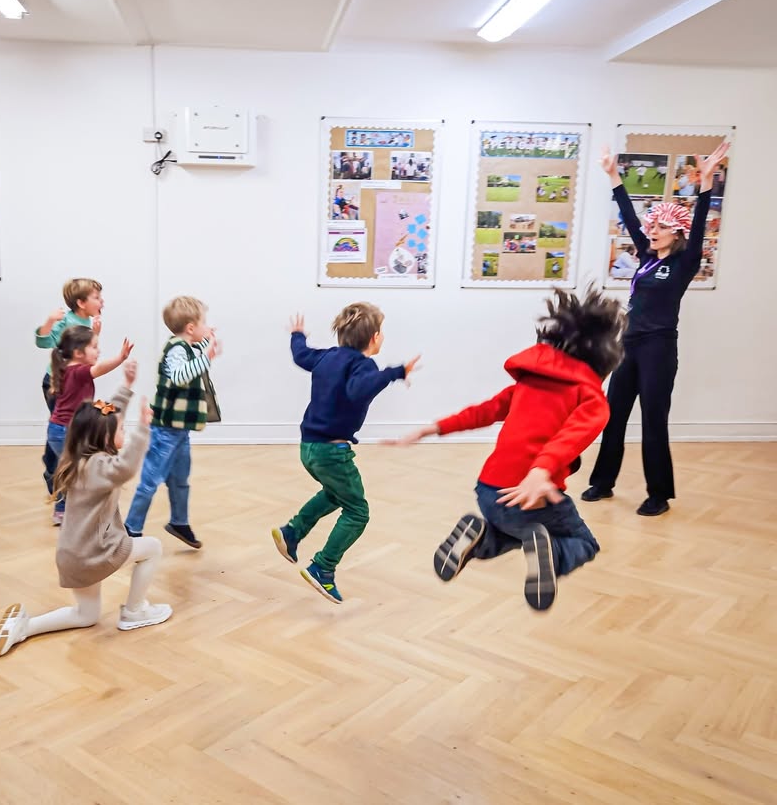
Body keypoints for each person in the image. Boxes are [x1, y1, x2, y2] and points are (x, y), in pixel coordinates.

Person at [390, 288, 624, 611]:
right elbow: (568, 438)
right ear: (604, 362)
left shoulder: (527, 384)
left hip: (488, 492)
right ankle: (553, 555)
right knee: (581, 542)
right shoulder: (591, 399)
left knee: (526, 535)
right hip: (530, 494)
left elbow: (483, 412)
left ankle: (481, 539)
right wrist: (540, 471)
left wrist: (435, 427)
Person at [583, 141, 731, 516]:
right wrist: (614, 177)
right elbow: (631, 220)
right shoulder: (648, 257)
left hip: (659, 350)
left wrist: (707, 182)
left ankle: (658, 495)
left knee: (653, 419)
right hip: (627, 346)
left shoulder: (684, 263)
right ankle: (602, 483)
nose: (653, 230)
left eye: (662, 227)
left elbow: (699, 228)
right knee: (612, 415)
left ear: (677, 233)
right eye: (653, 225)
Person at [0, 391, 172, 656]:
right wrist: (144, 429)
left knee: (86, 615)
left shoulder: (78, 460)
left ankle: (24, 627)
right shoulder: (100, 467)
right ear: (105, 437)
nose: (126, 432)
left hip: (72, 554)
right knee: (152, 547)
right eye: (122, 428)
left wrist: (124, 390)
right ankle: (135, 611)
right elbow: (128, 466)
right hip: (97, 552)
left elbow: (102, 417)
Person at [271, 304, 420, 604]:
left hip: (309, 447)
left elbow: (301, 355)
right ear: (375, 338)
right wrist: (395, 372)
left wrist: (297, 335)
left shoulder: (326, 355)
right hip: (332, 452)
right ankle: (323, 568)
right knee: (357, 511)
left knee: (335, 493)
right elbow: (358, 390)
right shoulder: (364, 366)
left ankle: (292, 532)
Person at [123, 296, 221, 549]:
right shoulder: (177, 349)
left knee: (180, 479)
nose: (206, 326)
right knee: (151, 480)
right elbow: (179, 375)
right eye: (203, 323)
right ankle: (130, 529)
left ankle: (179, 521)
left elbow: (194, 360)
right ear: (190, 328)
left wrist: (207, 344)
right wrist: (208, 355)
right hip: (165, 431)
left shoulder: (187, 347)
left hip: (179, 432)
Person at [46, 326, 134, 524]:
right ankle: (72, 510)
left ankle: (62, 510)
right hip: (66, 431)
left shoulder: (67, 368)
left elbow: (91, 358)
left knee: (69, 469)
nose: (98, 351)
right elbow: (99, 368)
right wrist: (120, 358)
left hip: (57, 430)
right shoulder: (78, 372)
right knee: (76, 471)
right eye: (94, 347)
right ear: (78, 352)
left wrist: (94, 334)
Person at [34, 278, 103, 492]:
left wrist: (96, 335)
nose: (102, 301)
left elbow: (84, 354)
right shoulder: (67, 322)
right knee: (61, 424)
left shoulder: (87, 323)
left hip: (73, 383)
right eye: (97, 297)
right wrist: (49, 321)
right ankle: (54, 472)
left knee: (67, 425)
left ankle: (59, 470)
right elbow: (43, 341)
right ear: (81, 303)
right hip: (57, 384)